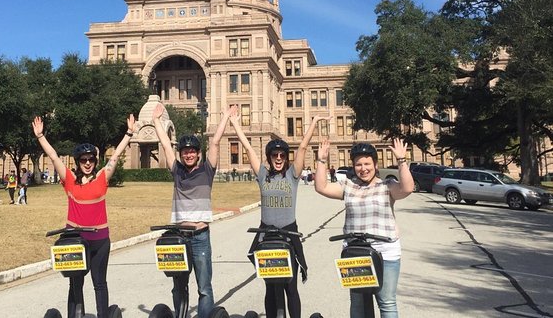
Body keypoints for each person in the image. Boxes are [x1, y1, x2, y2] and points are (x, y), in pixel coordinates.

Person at [32, 113, 135, 318]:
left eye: (90, 159)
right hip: (76, 241)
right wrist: (40, 136)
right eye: (83, 160)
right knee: (75, 283)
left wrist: (129, 133)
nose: (87, 163)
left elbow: (115, 157)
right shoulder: (69, 179)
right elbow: (53, 157)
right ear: (77, 162)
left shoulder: (102, 178)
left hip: (100, 241)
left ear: (95, 161)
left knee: (99, 283)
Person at [230, 112, 329, 318]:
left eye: (282, 156)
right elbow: (248, 147)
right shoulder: (263, 175)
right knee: (270, 287)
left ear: (286, 158)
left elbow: (302, 147)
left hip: (288, 236)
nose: (278, 158)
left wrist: (314, 122)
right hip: (267, 238)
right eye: (274, 156)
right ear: (269, 157)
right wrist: (235, 124)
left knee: (290, 287)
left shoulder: (293, 175)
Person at [314, 138, 413, 318]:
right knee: (358, 303)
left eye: (367, 163)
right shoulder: (348, 186)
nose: (363, 168)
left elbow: (407, 188)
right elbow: (321, 187)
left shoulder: (387, 186)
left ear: (375, 164)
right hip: (355, 252)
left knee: (387, 302)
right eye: (358, 164)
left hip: (385, 250)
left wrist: (401, 161)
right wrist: (321, 160)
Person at [151, 103, 234, 318]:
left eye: (192, 152)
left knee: (204, 287)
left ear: (198, 154)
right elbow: (166, 145)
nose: (188, 155)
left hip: (200, 236)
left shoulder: (207, 170)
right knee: (178, 286)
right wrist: (156, 121)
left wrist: (224, 117)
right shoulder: (177, 171)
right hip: (179, 237)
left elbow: (215, 142)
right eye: (185, 152)